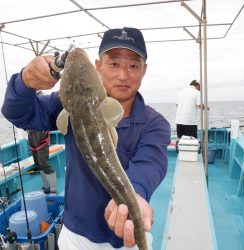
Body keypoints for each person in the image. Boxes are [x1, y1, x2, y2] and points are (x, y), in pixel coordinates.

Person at [1, 27, 171, 249]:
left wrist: (136, 194)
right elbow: (17, 113)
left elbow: (151, 163)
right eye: (114, 64)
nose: (123, 75)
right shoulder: (65, 101)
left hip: (125, 233)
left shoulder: (155, 123)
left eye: (133, 65)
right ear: (98, 67)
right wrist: (25, 82)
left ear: (144, 70)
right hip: (76, 232)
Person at [27, 129, 56, 194]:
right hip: (32, 138)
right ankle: (46, 185)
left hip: (42, 137)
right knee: (38, 164)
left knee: (44, 164)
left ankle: (52, 187)